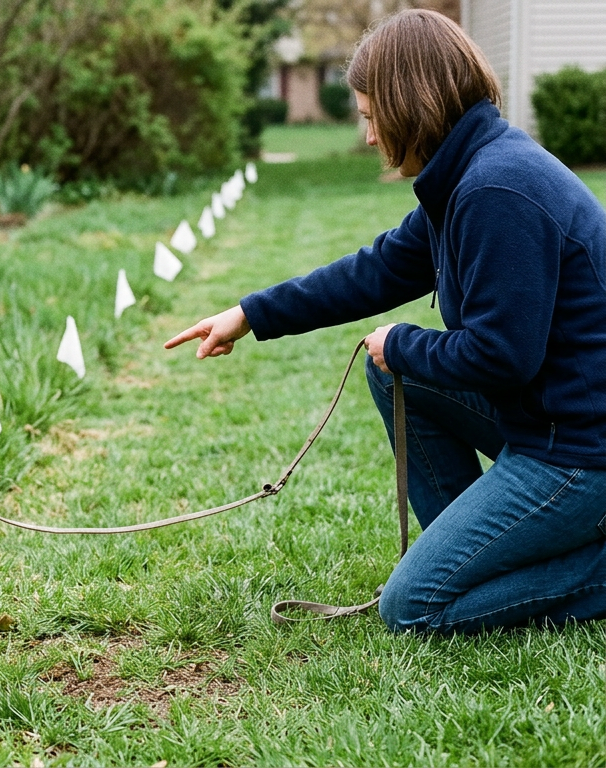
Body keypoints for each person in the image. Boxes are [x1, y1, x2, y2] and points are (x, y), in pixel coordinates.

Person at [164, 9, 606, 635]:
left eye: (372, 118)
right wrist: (248, 315)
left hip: (582, 453)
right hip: (545, 419)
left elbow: (504, 355)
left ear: (411, 105)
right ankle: (474, 550)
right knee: (391, 374)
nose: (370, 136)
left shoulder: (495, 190)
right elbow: (375, 272)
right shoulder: (466, 175)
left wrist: (402, 341)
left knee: (413, 607)